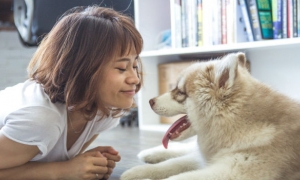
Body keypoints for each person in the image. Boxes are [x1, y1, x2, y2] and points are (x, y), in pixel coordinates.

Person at [0, 5, 143, 180]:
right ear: (82, 69)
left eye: (135, 66)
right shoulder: (41, 119)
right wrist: (63, 171)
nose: (135, 78)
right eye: (121, 68)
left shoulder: (104, 110)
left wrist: (85, 163)